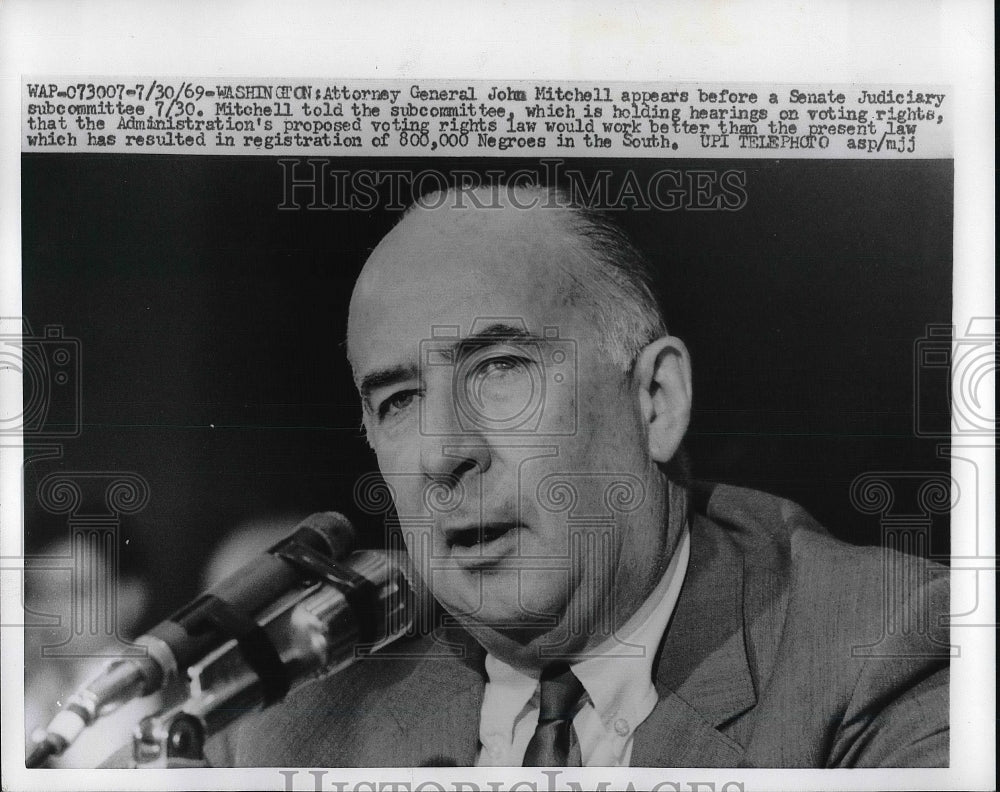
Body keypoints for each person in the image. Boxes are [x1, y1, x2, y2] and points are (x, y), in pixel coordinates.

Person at [222, 183, 949, 767]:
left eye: (500, 370)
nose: (443, 455)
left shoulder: (882, 649)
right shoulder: (289, 720)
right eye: (399, 400)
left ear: (655, 401)